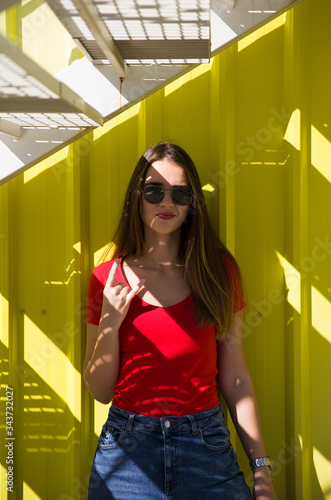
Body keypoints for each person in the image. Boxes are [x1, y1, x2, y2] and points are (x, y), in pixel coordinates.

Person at [84, 142, 276, 499]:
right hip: (127, 451)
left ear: (193, 204)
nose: (166, 203)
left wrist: (261, 468)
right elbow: (98, 391)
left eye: (180, 193)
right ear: (136, 198)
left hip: (204, 447)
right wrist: (110, 322)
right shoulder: (108, 277)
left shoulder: (218, 272)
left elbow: (234, 376)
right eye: (154, 191)